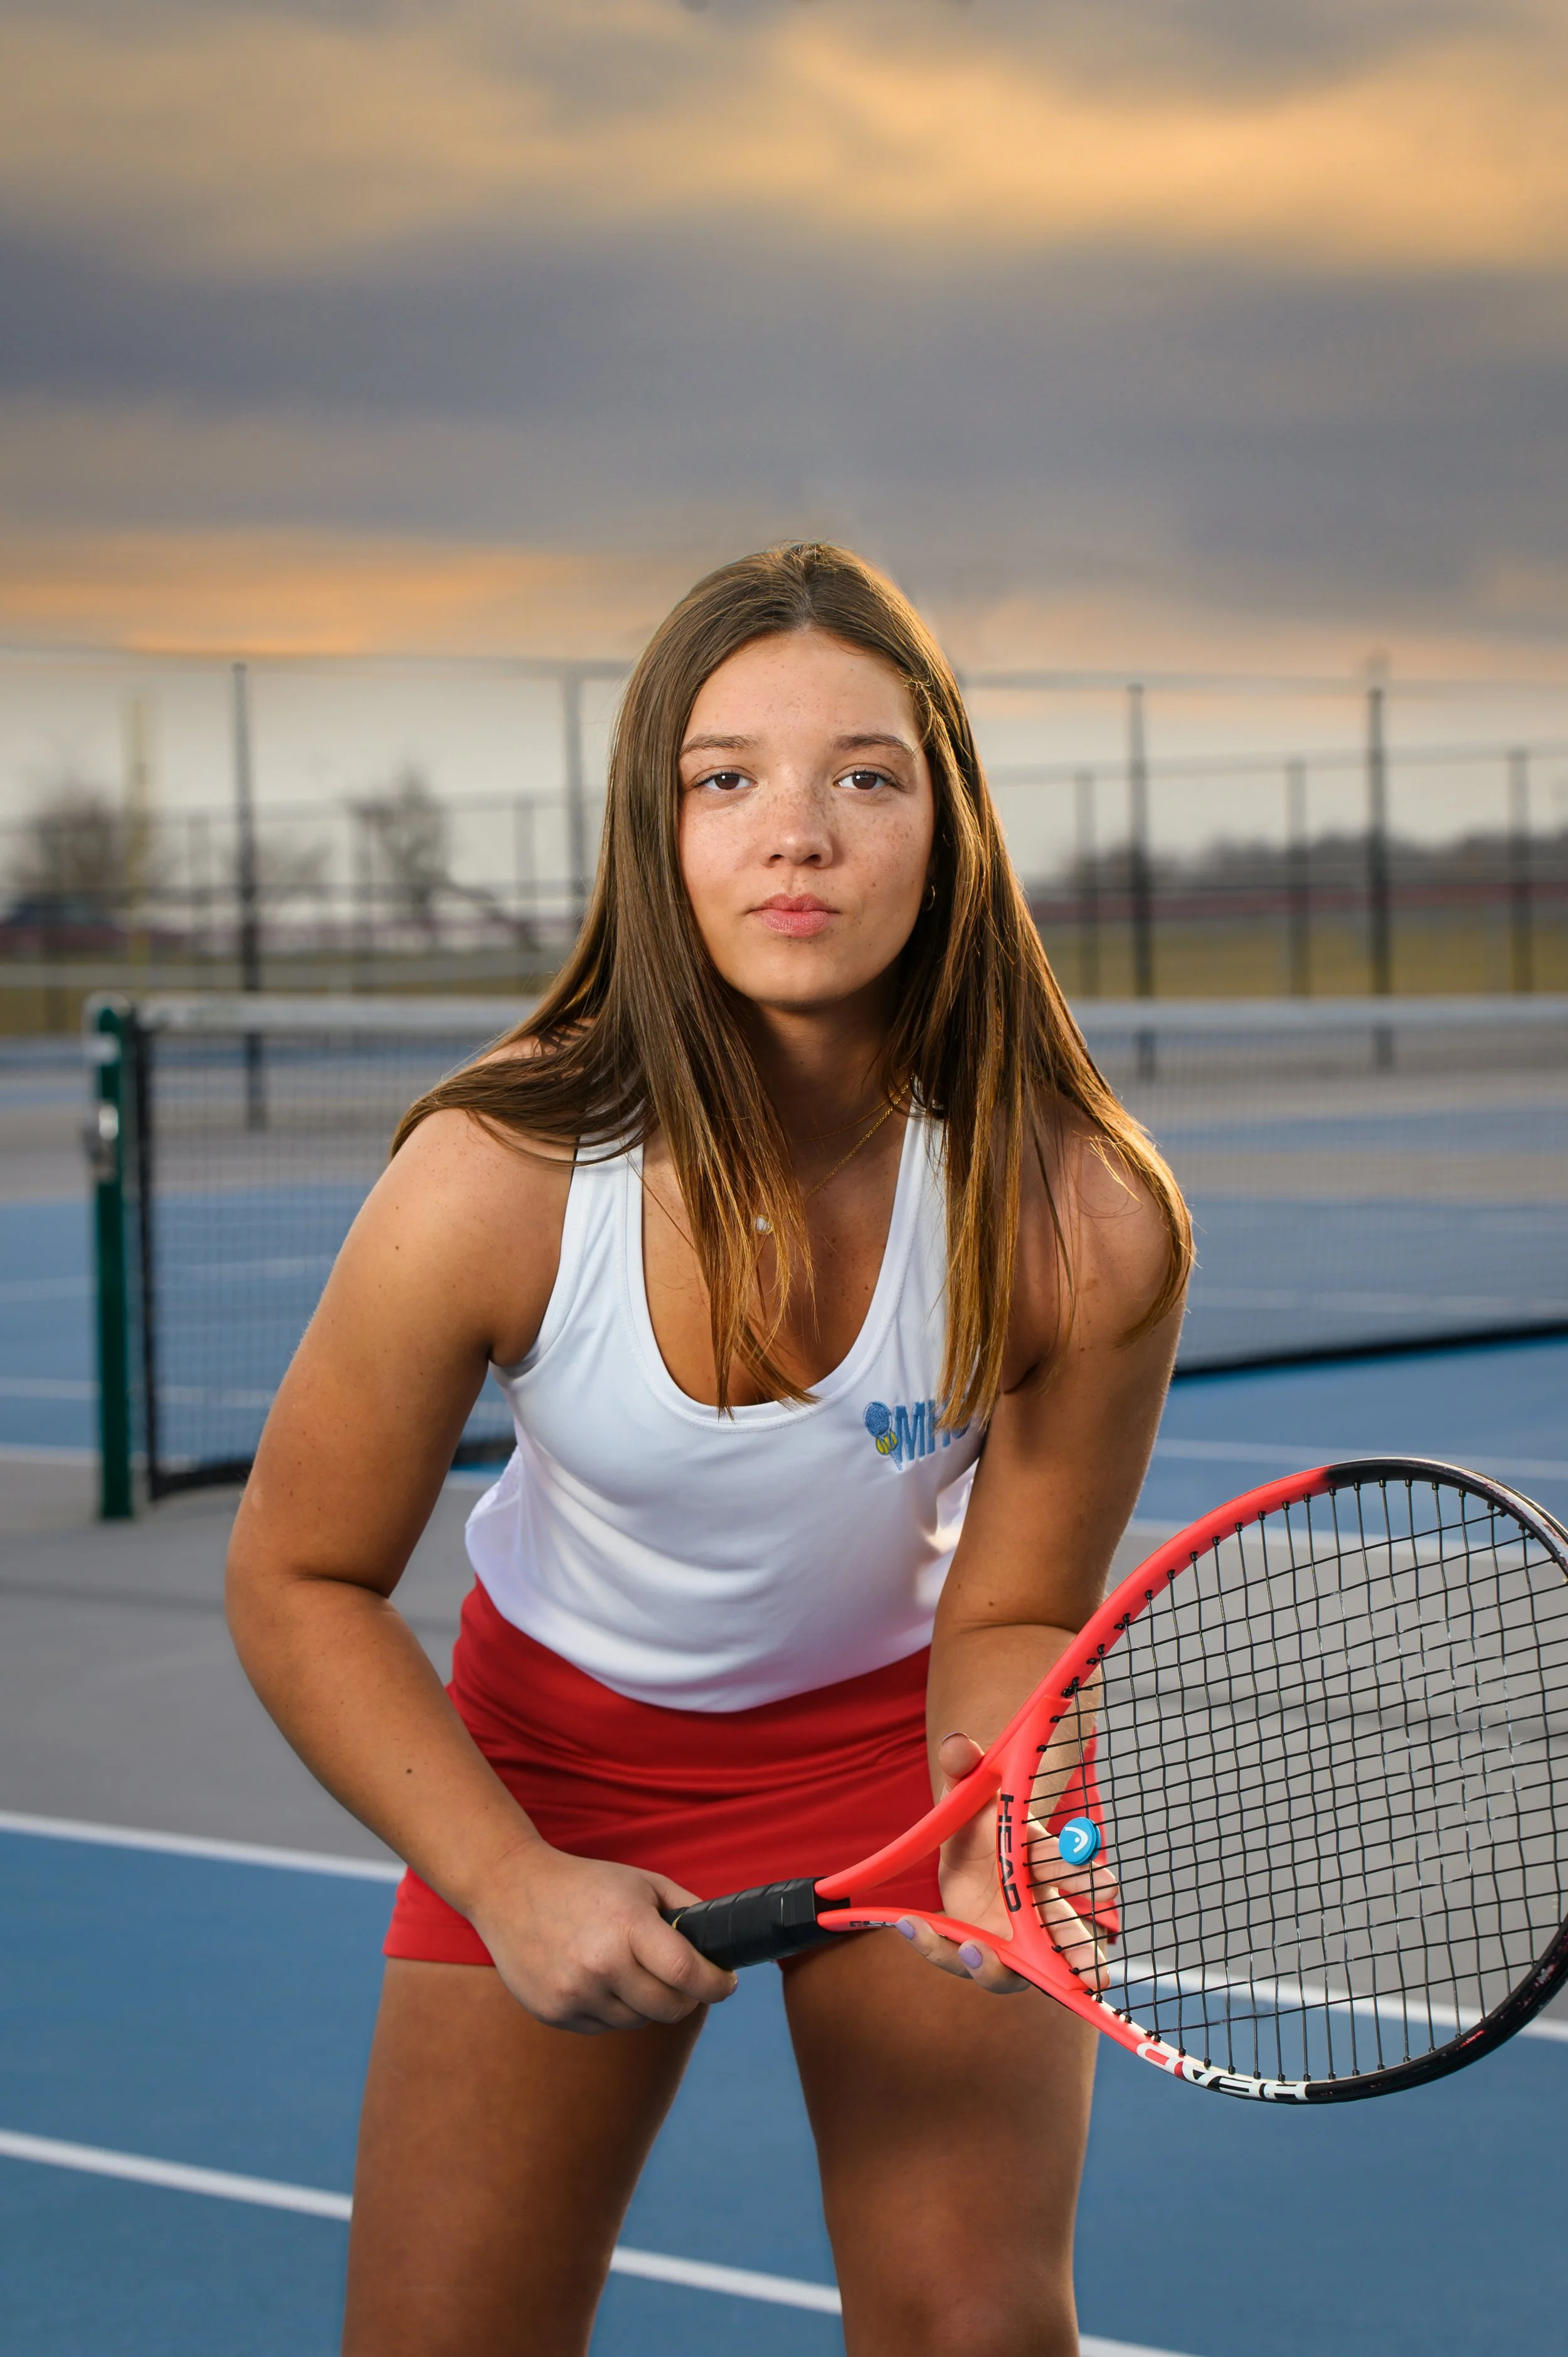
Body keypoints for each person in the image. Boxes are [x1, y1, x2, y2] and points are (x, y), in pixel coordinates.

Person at [226, 543, 1190, 2357]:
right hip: (554, 1763)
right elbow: (297, 1576)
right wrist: (510, 1879)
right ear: (652, 832)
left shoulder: (1082, 1219)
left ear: (949, 823)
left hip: (898, 1760)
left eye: (863, 773)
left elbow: (1013, 1608)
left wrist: (995, 1809)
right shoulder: (491, 1181)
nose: (795, 832)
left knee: (979, 2331)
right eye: (724, 776)